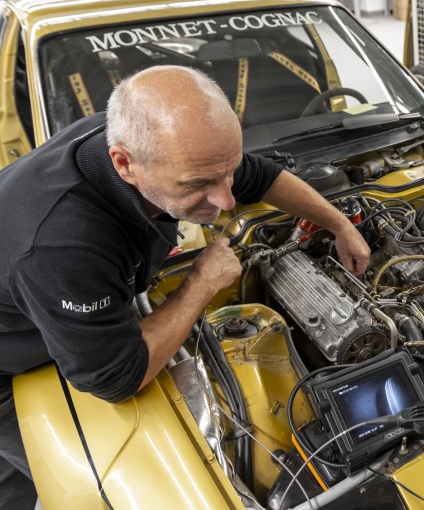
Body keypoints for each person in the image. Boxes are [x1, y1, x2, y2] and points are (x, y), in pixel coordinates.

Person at [0, 65, 370, 508]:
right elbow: (116, 378)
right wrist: (200, 284)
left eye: (226, 173)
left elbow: (260, 176)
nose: (226, 200)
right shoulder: (60, 245)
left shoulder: (163, 145)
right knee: (64, 485)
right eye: (198, 185)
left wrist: (339, 225)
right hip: (10, 363)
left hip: (60, 297)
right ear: (124, 163)